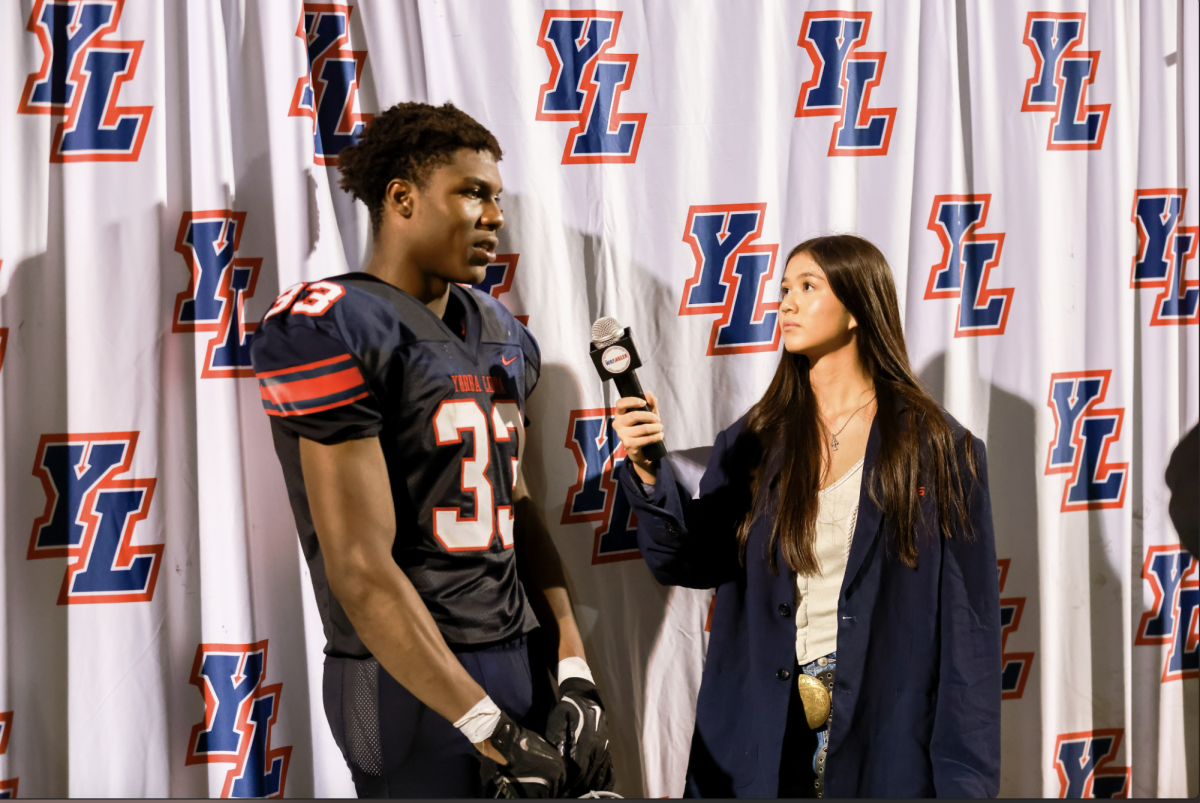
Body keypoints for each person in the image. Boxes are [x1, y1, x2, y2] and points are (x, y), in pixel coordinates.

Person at [251, 102, 613, 798]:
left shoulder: (501, 329)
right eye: (472, 191)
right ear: (402, 197)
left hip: (513, 653)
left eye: (497, 197)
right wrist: (487, 725)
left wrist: (573, 664)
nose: (494, 215)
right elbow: (359, 567)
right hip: (403, 675)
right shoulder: (331, 325)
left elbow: (517, 506)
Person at [612, 234, 1001, 798]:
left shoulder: (940, 448)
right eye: (784, 289)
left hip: (881, 743)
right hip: (763, 742)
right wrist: (649, 472)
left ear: (857, 308)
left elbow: (969, 635)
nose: (786, 303)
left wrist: (966, 785)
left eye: (807, 287)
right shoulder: (754, 438)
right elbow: (689, 561)